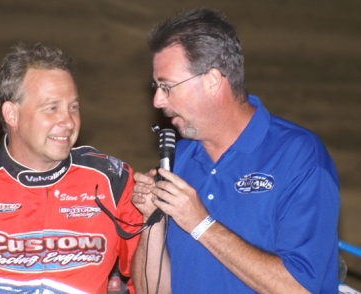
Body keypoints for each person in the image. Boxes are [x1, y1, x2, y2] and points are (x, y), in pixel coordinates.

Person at [131, 8, 339, 294]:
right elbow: (151, 291)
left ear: (212, 81)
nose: (157, 100)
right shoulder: (180, 160)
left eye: (167, 87)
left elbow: (299, 288)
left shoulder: (298, 156)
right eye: (156, 86)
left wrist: (200, 224)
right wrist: (151, 222)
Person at [0, 43, 142, 294]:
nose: (68, 122)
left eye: (73, 107)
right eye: (51, 108)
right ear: (12, 114)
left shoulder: (113, 181)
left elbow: (153, 282)